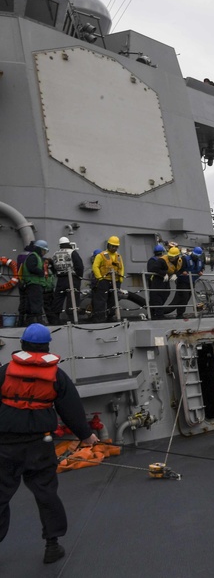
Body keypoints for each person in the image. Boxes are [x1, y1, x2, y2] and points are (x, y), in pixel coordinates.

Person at [0, 323, 97, 564]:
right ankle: (52, 546)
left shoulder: (4, 371)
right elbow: (71, 409)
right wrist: (86, 435)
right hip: (40, 445)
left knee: (0, 496)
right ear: (46, 347)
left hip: (5, 446)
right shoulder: (56, 375)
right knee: (46, 494)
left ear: (22, 344)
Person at [46, 238, 84, 325]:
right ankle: (72, 319)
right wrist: (79, 277)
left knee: (58, 298)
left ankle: (55, 319)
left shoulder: (55, 253)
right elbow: (79, 266)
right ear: (69, 244)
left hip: (60, 279)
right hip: (72, 278)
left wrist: (57, 273)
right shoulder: (72, 252)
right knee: (72, 298)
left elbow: (52, 266)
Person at [90, 236, 124, 323]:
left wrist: (120, 279)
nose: (114, 248)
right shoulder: (101, 255)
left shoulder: (118, 256)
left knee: (113, 300)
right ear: (108, 245)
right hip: (104, 281)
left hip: (115, 281)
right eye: (113, 246)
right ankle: (99, 317)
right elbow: (95, 267)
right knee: (100, 300)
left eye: (116, 246)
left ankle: (111, 316)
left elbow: (121, 268)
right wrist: (100, 278)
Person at [19, 241, 52, 326]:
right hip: (34, 283)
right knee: (36, 303)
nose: (44, 253)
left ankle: (31, 321)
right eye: (44, 250)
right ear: (40, 249)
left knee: (34, 303)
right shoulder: (33, 256)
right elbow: (31, 267)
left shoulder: (35, 256)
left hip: (36, 284)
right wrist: (41, 272)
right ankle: (37, 321)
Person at [164, 247, 189, 319]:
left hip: (186, 281)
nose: (171, 258)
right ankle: (156, 312)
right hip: (163, 280)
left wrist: (176, 274)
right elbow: (156, 268)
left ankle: (180, 314)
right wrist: (163, 273)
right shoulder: (163, 260)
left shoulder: (182, 260)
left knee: (185, 298)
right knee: (160, 296)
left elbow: (182, 268)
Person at [145, 244, 169, 319]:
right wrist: (163, 274)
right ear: (162, 252)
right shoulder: (153, 261)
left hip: (162, 283)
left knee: (161, 297)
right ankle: (157, 315)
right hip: (155, 282)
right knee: (156, 299)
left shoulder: (158, 260)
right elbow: (153, 269)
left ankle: (155, 313)